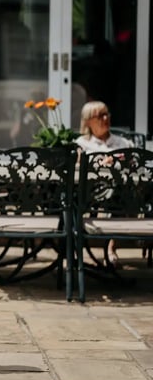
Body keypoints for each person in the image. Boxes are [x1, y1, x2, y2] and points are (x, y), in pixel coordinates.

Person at [75, 100, 133, 267]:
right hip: (91, 193)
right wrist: (98, 163)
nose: (106, 118)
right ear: (88, 121)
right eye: (100, 115)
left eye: (107, 114)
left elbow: (135, 163)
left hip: (121, 193)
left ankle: (111, 247)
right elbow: (78, 168)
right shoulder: (81, 144)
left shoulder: (123, 143)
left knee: (120, 195)